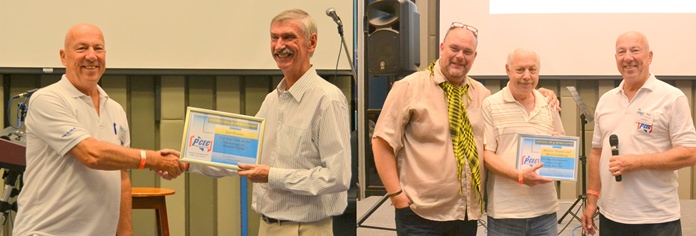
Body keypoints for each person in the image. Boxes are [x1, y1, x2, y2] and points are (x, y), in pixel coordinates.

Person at [372, 23, 559, 235]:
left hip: (465, 213)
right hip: (420, 213)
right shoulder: (409, 87)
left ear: (474, 56)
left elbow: (512, 104)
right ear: (442, 48)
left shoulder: (481, 94)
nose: (460, 56)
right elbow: (382, 142)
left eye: (467, 52)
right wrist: (396, 195)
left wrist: (539, 92)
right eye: (454, 48)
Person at [13, 23, 186, 236]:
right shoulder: (48, 100)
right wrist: (152, 159)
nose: (91, 56)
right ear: (63, 57)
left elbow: (121, 178)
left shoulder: (114, 109)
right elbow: (90, 154)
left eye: (98, 48)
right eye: (82, 48)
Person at [188, 9, 351, 236]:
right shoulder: (272, 101)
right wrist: (187, 162)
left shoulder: (328, 100)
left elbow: (336, 177)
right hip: (267, 226)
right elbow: (240, 156)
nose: (278, 46)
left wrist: (271, 175)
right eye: (274, 37)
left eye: (288, 37)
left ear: (311, 43)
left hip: (305, 229)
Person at [581, 31, 696, 236]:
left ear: (649, 56)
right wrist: (592, 201)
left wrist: (636, 162)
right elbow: (597, 153)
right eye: (621, 52)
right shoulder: (606, 100)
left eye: (635, 50)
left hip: (657, 218)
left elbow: (690, 153)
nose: (628, 58)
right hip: (611, 216)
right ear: (615, 59)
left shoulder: (671, 98)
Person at [482, 48, 564, 235]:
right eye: (520, 70)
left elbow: (559, 142)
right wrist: (518, 175)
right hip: (506, 213)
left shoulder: (548, 103)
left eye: (532, 70)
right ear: (508, 70)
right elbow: (487, 155)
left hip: (545, 210)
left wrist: (559, 152)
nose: (527, 76)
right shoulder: (491, 104)